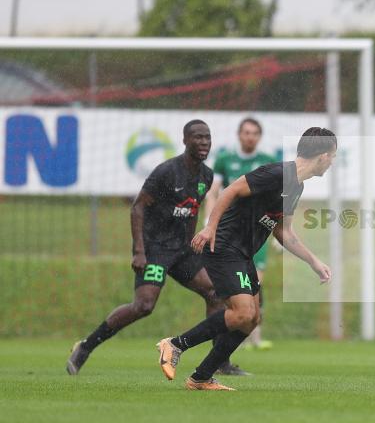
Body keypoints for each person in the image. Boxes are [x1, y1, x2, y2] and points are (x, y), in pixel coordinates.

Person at [156, 127, 336, 391]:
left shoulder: (296, 185)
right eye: (332, 155)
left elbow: (283, 231)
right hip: (224, 247)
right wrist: (209, 228)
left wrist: (313, 262)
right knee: (242, 313)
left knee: (251, 320)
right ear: (322, 155)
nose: (332, 161)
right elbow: (230, 191)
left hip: (243, 254)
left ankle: (201, 377)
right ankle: (174, 345)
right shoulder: (276, 173)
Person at [66, 120, 220, 375]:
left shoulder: (207, 175)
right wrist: (139, 250)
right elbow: (137, 207)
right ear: (185, 140)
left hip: (181, 250)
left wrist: (191, 242)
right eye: (197, 137)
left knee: (215, 293)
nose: (203, 142)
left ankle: (218, 362)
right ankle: (85, 346)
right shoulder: (167, 171)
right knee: (143, 306)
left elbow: (193, 209)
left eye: (207, 137)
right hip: (155, 249)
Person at [206, 117, 279, 376]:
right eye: (246, 132)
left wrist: (281, 232)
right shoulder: (225, 160)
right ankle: (235, 335)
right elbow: (215, 191)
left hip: (256, 233)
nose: (250, 137)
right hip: (228, 232)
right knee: (236, 292)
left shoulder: (268, 160)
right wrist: (209, 221)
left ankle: (251, 331)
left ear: (259, 137)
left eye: (255, 133)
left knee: (255, 283)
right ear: (239, 135)